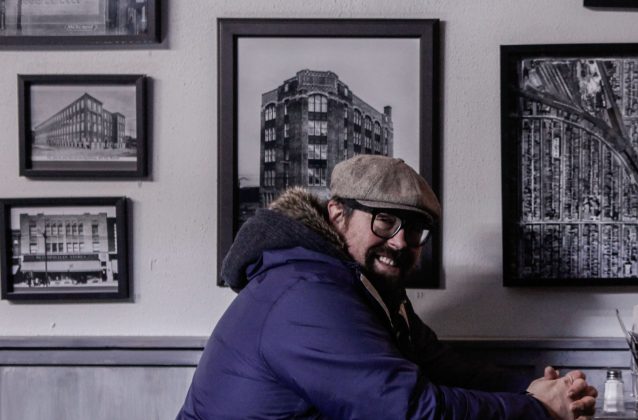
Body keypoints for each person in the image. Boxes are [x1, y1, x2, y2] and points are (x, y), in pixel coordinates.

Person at [179, 155, 596, 419]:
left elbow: (441, 365)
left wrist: (537, 388)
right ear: (337, 214)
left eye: (414, 230)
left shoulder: (366, 288)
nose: (400, 242)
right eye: (385, 221)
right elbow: (405, 410)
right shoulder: (307, 293)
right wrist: (537, 409)